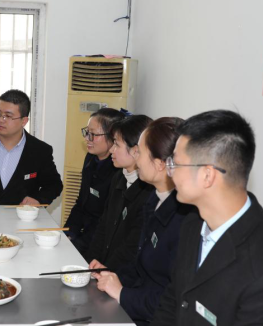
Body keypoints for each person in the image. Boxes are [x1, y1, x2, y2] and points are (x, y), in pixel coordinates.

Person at [151, 110, 263, 325]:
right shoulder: (193, 223)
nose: (169, 172)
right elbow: (173, 300)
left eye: (175, 163)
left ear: (207, 175)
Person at [93, 117, 195, 326]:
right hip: (137, 304)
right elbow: (139, 267)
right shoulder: (154, 200)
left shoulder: (185, 220)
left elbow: (172, 299)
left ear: (160, 164)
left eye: (139, 152)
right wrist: (111, 276)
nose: (135, 159)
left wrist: (121, 293)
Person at [0, 90, 62, 207]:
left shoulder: (40, 150)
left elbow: (54, 185)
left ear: (24, 121)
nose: (0, 120)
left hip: (21, 215)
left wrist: (38, 200)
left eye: (8, 116)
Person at [87, 115, 153, 272]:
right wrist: (89, 262)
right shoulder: (119, 177)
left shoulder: (149, 191)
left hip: (121, 274)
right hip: (103, 268)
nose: (111, 150)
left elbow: (132, 246)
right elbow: (103, 226)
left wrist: (106, 270)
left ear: (136, 150)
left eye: (116, 144)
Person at [64, 108, 124, 260]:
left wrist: (78, 244)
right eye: (87, 132)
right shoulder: (91, 158)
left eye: (93, 134)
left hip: (98, 244)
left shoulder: (119, 172)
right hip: (83, 234)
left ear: (113, 137)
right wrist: (68, 233)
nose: (87, 138)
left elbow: (105, 222)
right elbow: (81, 202)